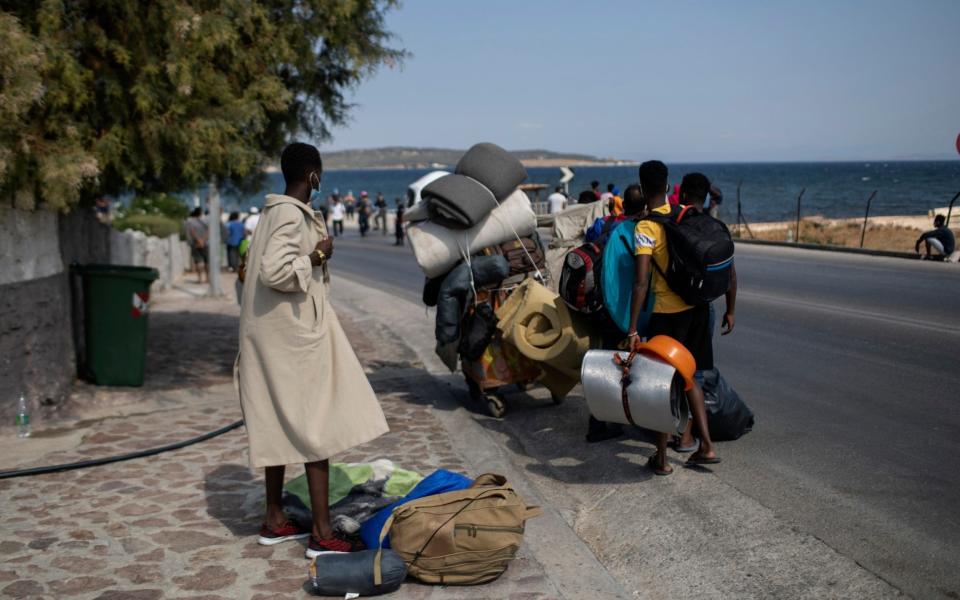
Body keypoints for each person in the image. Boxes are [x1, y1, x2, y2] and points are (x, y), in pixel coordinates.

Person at [237, 142, 388, 558]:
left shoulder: (270, 213)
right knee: (314, 430)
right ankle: (322, 534)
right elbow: (276, 271)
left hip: (270, 336)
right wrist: (317, 255)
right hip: (292, 340)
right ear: (314, 176)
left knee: (277, 425)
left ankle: (274, 518)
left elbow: (254, 266)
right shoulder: (289, 213)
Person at [627, 160, 720, 475]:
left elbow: (640, 283)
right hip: (696, 309)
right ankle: (705, 445)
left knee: (662, 384)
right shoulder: (684, 215)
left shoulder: (645, 228)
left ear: (641, 189)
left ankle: (663, 459)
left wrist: (631, 328)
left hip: (668, 316)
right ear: (668, 187)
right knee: (689, 377)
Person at [667, 172, 737, 452]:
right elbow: (731, 274)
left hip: (676, 310)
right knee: (695, 373)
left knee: (674, 374)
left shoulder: (676, 224)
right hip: (705, 309)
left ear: (683, 194)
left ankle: (681, 433)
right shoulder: (717, 226)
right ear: (706, 196)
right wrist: (730, 311)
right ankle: (696, 436)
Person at [183, 208, 209, 283]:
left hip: (195, 243)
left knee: (198, 261)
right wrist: (203, 240)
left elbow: (192, 232)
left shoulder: (190, 221)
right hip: (206, 243)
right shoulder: (206, 221)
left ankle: (200, 279)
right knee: (207, 261)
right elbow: (209, 231)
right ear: (200, 213)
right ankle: (207, 278)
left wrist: (199, 241)